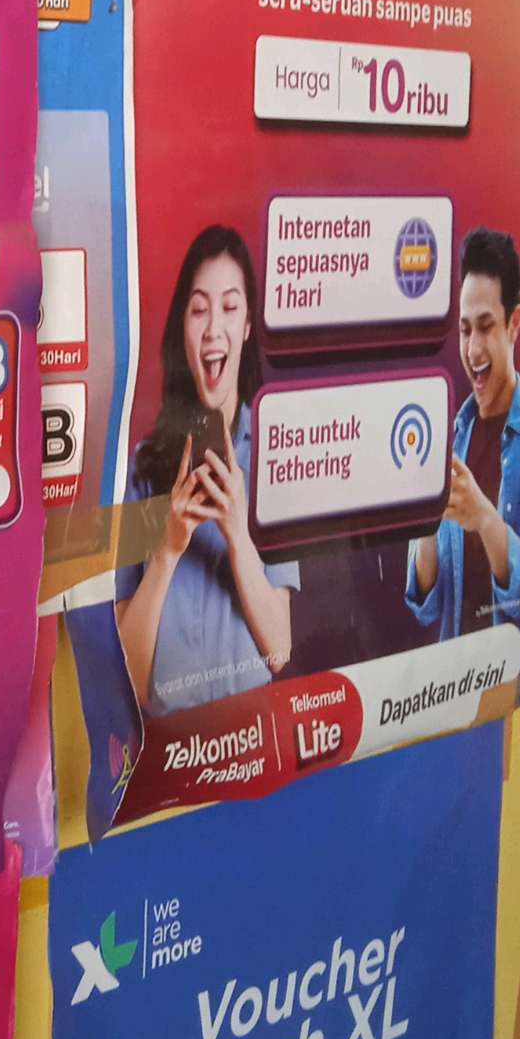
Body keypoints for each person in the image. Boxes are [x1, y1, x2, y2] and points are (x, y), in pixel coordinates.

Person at [115, 225, 298, 715]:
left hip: (250, 733)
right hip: (171, 743)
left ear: (248, 325)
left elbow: (280, 650)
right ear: (183, 327)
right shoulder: (140, 472)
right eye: (199, 309)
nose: (214, 326)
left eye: (230, 307)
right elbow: (130, 677)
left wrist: (237, 533)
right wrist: (168, 550)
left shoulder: (275, 454)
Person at [407, 226, 520, 645]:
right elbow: (424, 603)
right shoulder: (451, 438)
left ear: (514, 324)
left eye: (486, 327)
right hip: (457, 676)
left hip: (514, 682)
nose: (472, 350)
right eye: (466, 330)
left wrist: (484, 518)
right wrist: (425, 520)